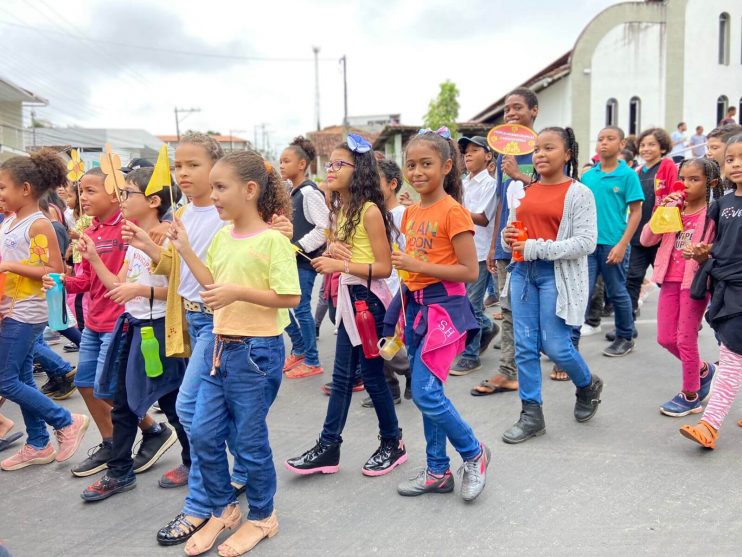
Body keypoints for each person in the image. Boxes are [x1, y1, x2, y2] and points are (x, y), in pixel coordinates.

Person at [170, 151, 300, 556]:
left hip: (256, 354)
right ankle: (224, 509)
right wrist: (186, 250)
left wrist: (238, 292)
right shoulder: (223, 237)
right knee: (203, 433)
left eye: (221, 188)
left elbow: (290, 296)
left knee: (248, 442)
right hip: (220, 348)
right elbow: (213, 284)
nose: (215, 196)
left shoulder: (273, 241)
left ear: (249, 190)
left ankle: (263, 516)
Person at [285, 134, 407, 478]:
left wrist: (341, 265)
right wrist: (336, 253)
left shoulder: (369, 210)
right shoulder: (343, 209)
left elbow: (385, 268)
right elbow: (344, 249)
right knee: (344, 379)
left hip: (369, 301)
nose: (332, 170)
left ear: (360, 170)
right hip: (351, 300)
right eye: (331, 164)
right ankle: (330, 446)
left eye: (340, 164)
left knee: (370, 377)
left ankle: (391, 443)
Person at [386, 128, 489, 501]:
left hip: (445, 310)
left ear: (446, 166)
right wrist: (395, 315)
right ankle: (436, 470)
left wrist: (417, 264)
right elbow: (408, 274)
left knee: (427, 394)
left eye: (426, 164)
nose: (416, 172)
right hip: (415, 310)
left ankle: (474, 452)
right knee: (430, 393)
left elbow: (470, 272)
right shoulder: (410, 213)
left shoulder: (454, 212)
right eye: (411, 164)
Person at [78, 167, 189, 501]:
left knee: (174, 403)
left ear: (153, 200)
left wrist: (139, 289)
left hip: (160, 330)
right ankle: (120, 471)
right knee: (124, 404)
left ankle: (192, 461)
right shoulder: (134, 237)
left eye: (127, 193)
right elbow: (117, 285)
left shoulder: (168, 237)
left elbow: (180, 291)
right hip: (133, 328)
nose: (121, 199)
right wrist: (95, 259)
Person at [500, 127, 603, 444]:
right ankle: (531, 414)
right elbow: (517, 233)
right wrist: (509, 240)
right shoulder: (526, 192)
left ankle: (587, 384)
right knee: (525, 346)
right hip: (522, 274)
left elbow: (586, 243)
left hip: (557, 276)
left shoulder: (579, 193)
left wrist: (533, 247)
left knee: (557, 346)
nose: (540, 154)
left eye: (549, 148)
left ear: (568, 154)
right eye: (537, 149)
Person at [0, 149, 89, 471]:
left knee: (5, 380)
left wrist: (8, 265)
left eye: (2, 187)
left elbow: (53, 269)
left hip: (29, 311)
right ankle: (38, 444)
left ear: (25, 189)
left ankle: (66, 421)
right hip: (11, 308)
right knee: (21, 376)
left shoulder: (38, 225)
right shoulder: (11, 221)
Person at [640, 158, 721, 417]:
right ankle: (704, 370)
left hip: (696, 283)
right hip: (669, 280)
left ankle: (690, 395)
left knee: (686, 338)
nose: (685, 184)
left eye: (694, 179)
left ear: (711, 183)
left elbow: (719, 251)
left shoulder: (712, 213)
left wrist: (703, 254)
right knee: (665, 338)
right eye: (682, 178)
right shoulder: (673, 209)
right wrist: (664, 211)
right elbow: (646, 239)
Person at [679, 133, 742, 448]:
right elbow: (713, 242)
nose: (736, 164)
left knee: (731, 358)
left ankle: (709, 425)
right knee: (734, 352)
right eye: (731, 159)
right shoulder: (723, 203)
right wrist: (701, 253)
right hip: (724, 288)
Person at [477, 87, 539, 396]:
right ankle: (509, 370)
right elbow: (501, 200)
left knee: (539, 310)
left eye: (517, 107)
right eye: (507, 110)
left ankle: (558, 359)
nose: (511, 113)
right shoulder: (504, 152)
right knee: (509, 308)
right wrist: (493, 246)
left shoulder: (543, 148)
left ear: (533, 111)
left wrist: (520, 175)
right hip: (506, 243)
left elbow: (554, 193)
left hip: (537, 245)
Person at [577, 126, 643, 357]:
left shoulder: (628, 175)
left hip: (613, 243)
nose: (604, 143)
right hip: (588, 244)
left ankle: (625, 336)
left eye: (610, 139)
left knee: (616, 292)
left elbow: (636, 212)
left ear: (621, 144)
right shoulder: (588, 176)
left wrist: (622, 244)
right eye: (601, 139)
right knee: (581, 291)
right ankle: (570, 340)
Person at [621, 128, 678, 340]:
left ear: (662, 147)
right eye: (643, 144)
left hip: (661, 235)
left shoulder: (667, 166)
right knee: (632, 279)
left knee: (667, 280)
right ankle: (627, 326)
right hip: (638, 235)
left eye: (652, 144)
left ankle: (682, 319)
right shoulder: (636, 171)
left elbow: (676, 194)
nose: (646, 148)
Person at [280, 136, 328, 379]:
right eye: (280, 161)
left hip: (304, 262)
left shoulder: (309, 192)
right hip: (291, 260)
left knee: (300, 310)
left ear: (302, 164)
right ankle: (299, 347)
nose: (281, 165)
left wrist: (297, 246)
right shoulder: (292, 191)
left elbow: (323, 227)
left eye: (286, 161)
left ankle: (312, 360)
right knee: (281, 306)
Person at [450, 135, 499, 375]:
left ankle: (471, 356)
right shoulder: (463, 182)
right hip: (461, 252)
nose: (468, 154)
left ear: (488, 156)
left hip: (479, 252)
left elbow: (483, 218)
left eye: (474, 150)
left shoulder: (490, 184)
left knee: (471, 306)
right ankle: (488, 327)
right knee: (465, 303)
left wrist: (455, 211)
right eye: (465, 151)